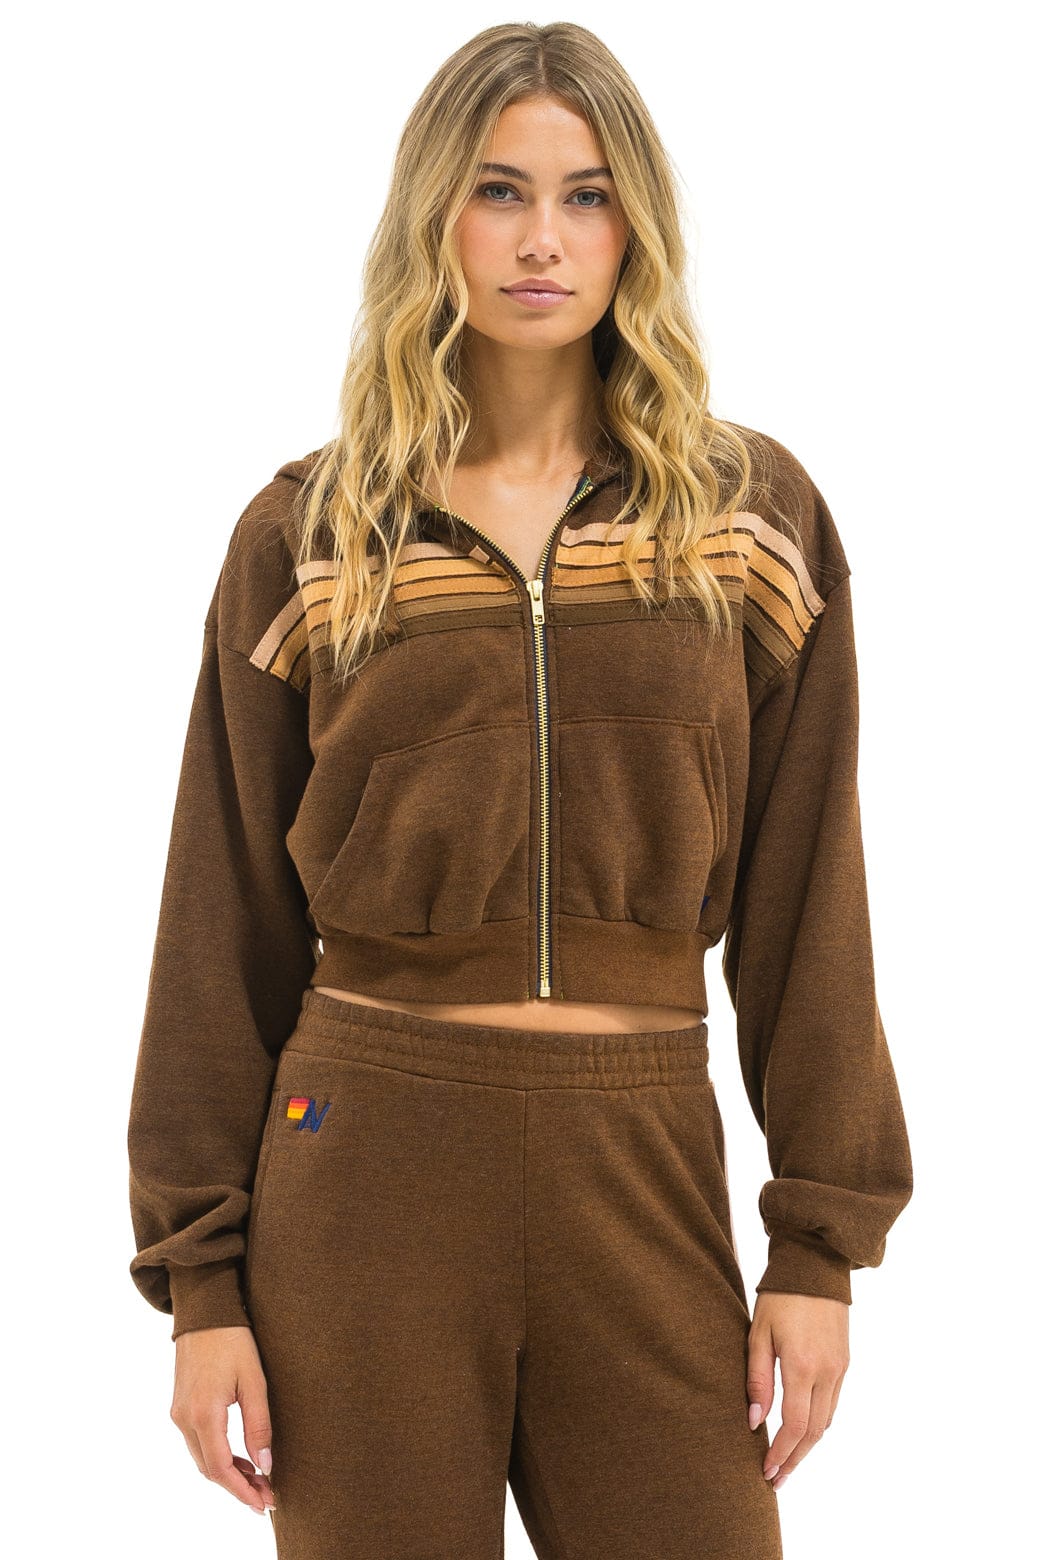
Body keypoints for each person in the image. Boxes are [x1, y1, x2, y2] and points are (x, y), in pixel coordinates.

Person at [126, 20, 913, 1559]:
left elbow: (810, 892)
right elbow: (219, 912)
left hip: (643, 1158)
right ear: (436, 217)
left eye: (587, 195)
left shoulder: (749, 521)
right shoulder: (312, 532)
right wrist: (199, 1285)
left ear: (637, 228)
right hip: (368, 1158)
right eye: (499, 190)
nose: (543, 239)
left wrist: (820, 1244)